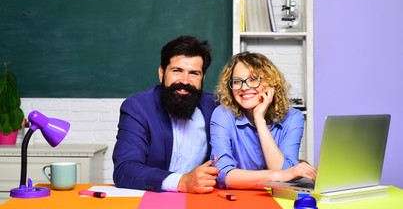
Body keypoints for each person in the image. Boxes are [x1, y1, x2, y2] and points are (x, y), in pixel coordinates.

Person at [113, 35, 219, 193]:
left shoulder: (215, 107)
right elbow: (125, 169)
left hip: (201, 199)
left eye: (194, 73)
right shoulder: (138, 108)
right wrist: (182, 182)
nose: (185, 80)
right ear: (162, 73)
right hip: (152, 199)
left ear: (203, 77)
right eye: (177, 71)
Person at [210, 52, 317, 189]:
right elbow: (223, 175)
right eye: (236, 81)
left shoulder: (293, 117)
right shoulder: (223, 114)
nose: (244, 87)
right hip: (239, 196)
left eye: (254, 79)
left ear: (271, 83)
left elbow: (284, 173)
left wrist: (260, 120)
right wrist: (278, 175)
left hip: (278, 197)